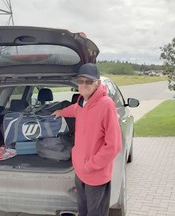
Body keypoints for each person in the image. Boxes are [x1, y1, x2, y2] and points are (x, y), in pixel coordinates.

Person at [51, 63, 122, 216]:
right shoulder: (82, 103)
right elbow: (74, 110)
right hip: (80, 172)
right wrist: (61, 112)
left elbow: (114, 145)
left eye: (88, 81)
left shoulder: (106, 105)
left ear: (97, 83)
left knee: (95, 213)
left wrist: (91, 165)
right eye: (81, 81)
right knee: (83, 211)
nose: (84, 85)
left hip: (95, 174)